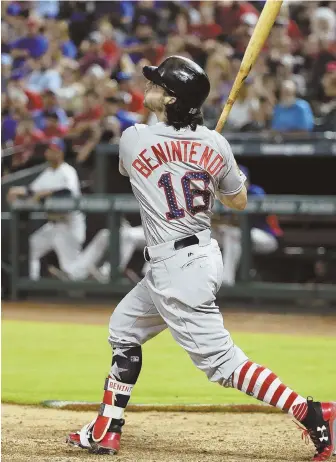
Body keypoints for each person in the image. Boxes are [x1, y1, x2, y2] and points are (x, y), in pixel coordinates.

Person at [66, 56, 335, 460]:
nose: (149, 88)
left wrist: (192, 149)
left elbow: (133, 170)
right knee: (124, 327)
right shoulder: (216, 144)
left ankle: (311, 411)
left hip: (179, 271)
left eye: (158, 85)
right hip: (194, 256)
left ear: (172, 99)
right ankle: (107, 428)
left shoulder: (134, 137)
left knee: (222, 365)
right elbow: (239, 201)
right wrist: (212, 158)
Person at [7, 138, 86, 280]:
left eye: (54, 150)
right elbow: (32, 190)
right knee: (33, 247)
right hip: (54, 226)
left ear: (60, 153)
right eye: (49, 150)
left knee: (71, 270)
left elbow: (67, 193)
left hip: (69, 226)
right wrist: (17, 190)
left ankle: (92, 291)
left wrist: (45, 193)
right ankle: (33, 284)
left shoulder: (67, 171)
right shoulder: (49, 172)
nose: (50, 153)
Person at [214, 165, 282, 286]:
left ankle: (226, 282)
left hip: (266, 238)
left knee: (233, 234)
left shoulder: (255, 192)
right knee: (212, 234)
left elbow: (248, 211)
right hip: (239, 238)